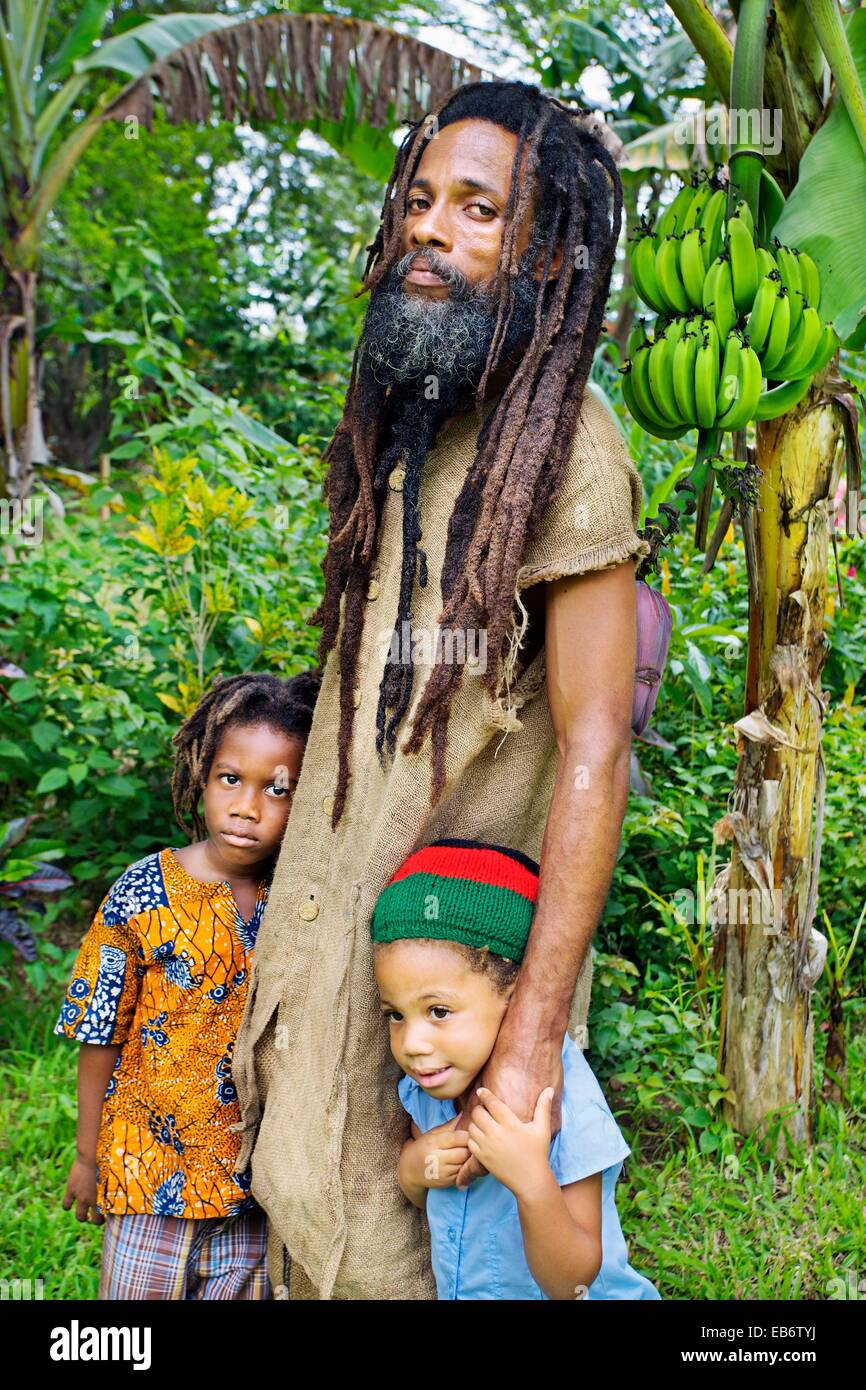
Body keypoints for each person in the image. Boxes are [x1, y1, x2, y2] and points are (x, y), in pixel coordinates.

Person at [232, 79, 652, 1301]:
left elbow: (593, 745)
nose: (428, 227)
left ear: (549, 253)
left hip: (451, 989)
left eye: (477, 208)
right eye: (419, 200)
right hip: (343, 941)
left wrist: (527, 1037)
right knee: (312, 1200)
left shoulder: (567, 454)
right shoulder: (409, 429)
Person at [55, 671, 319, 1300]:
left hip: (251, 1193)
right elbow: (99, 1029)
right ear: (203, 774)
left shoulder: (302, 903)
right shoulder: (144, 888)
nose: (248, 806)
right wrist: (88, 1156)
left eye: (278, 790)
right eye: (231, 779)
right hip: (148, 1180)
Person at [372, 838, 660, 1301]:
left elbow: (574, 1283)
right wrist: (413, 1169)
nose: (413, 1043)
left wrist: (531, 1179)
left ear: (515, 997)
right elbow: (437, 1196)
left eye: (439, 1011)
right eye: (396, 1014)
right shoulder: (429, 1088)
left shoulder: (564, 1101)